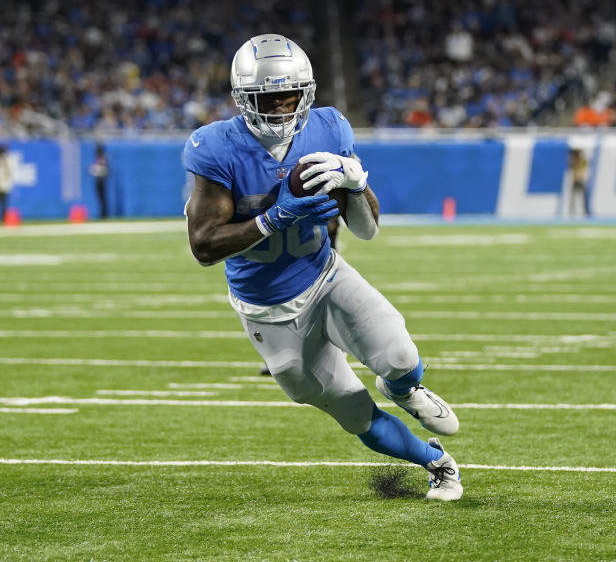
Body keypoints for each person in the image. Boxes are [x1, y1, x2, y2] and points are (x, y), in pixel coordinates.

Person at [183, 34, 462, 501]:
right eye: (269, 98)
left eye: (291, 95)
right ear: (243, 99)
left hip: (325, 276)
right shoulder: (214, 147)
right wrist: (275, 217)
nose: (282, 107)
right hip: (267, 309)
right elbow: (204, 246)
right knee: (354, 415)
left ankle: (407, 389)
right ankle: (437, 463)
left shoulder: (329, 128)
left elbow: (368, 230)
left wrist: (356, 182)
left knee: (398, 355)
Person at [89, 144, 110, 219]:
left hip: (101, 181)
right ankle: (102, 213)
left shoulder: (103, 158)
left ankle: (104, 214)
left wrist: (96, 170)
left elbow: (105, 170)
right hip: (98, 180)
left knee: (102, 198)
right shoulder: (98, 159)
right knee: (100, 198)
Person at [568, 147, 590, 217]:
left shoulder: (582, 161)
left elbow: (586, 163)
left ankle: (585, 210)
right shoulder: (574, 161)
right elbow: (570, 165)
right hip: (575, 180)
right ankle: (572, 211)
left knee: (583, 197)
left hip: (581, 180)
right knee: (573, 197)